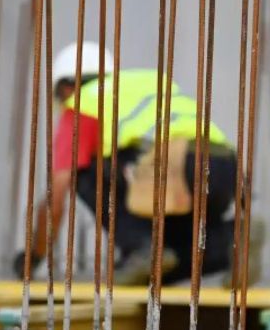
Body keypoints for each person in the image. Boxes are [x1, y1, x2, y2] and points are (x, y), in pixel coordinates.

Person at [13, 41, 242, 285]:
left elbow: (56, 193)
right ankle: (231, 240)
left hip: (173, 167)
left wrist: (34, 255)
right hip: (225, 170)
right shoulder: (146, 85)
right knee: (162, 264)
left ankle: (140, 248)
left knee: (85, 173)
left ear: (68, 86)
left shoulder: (84, 103)